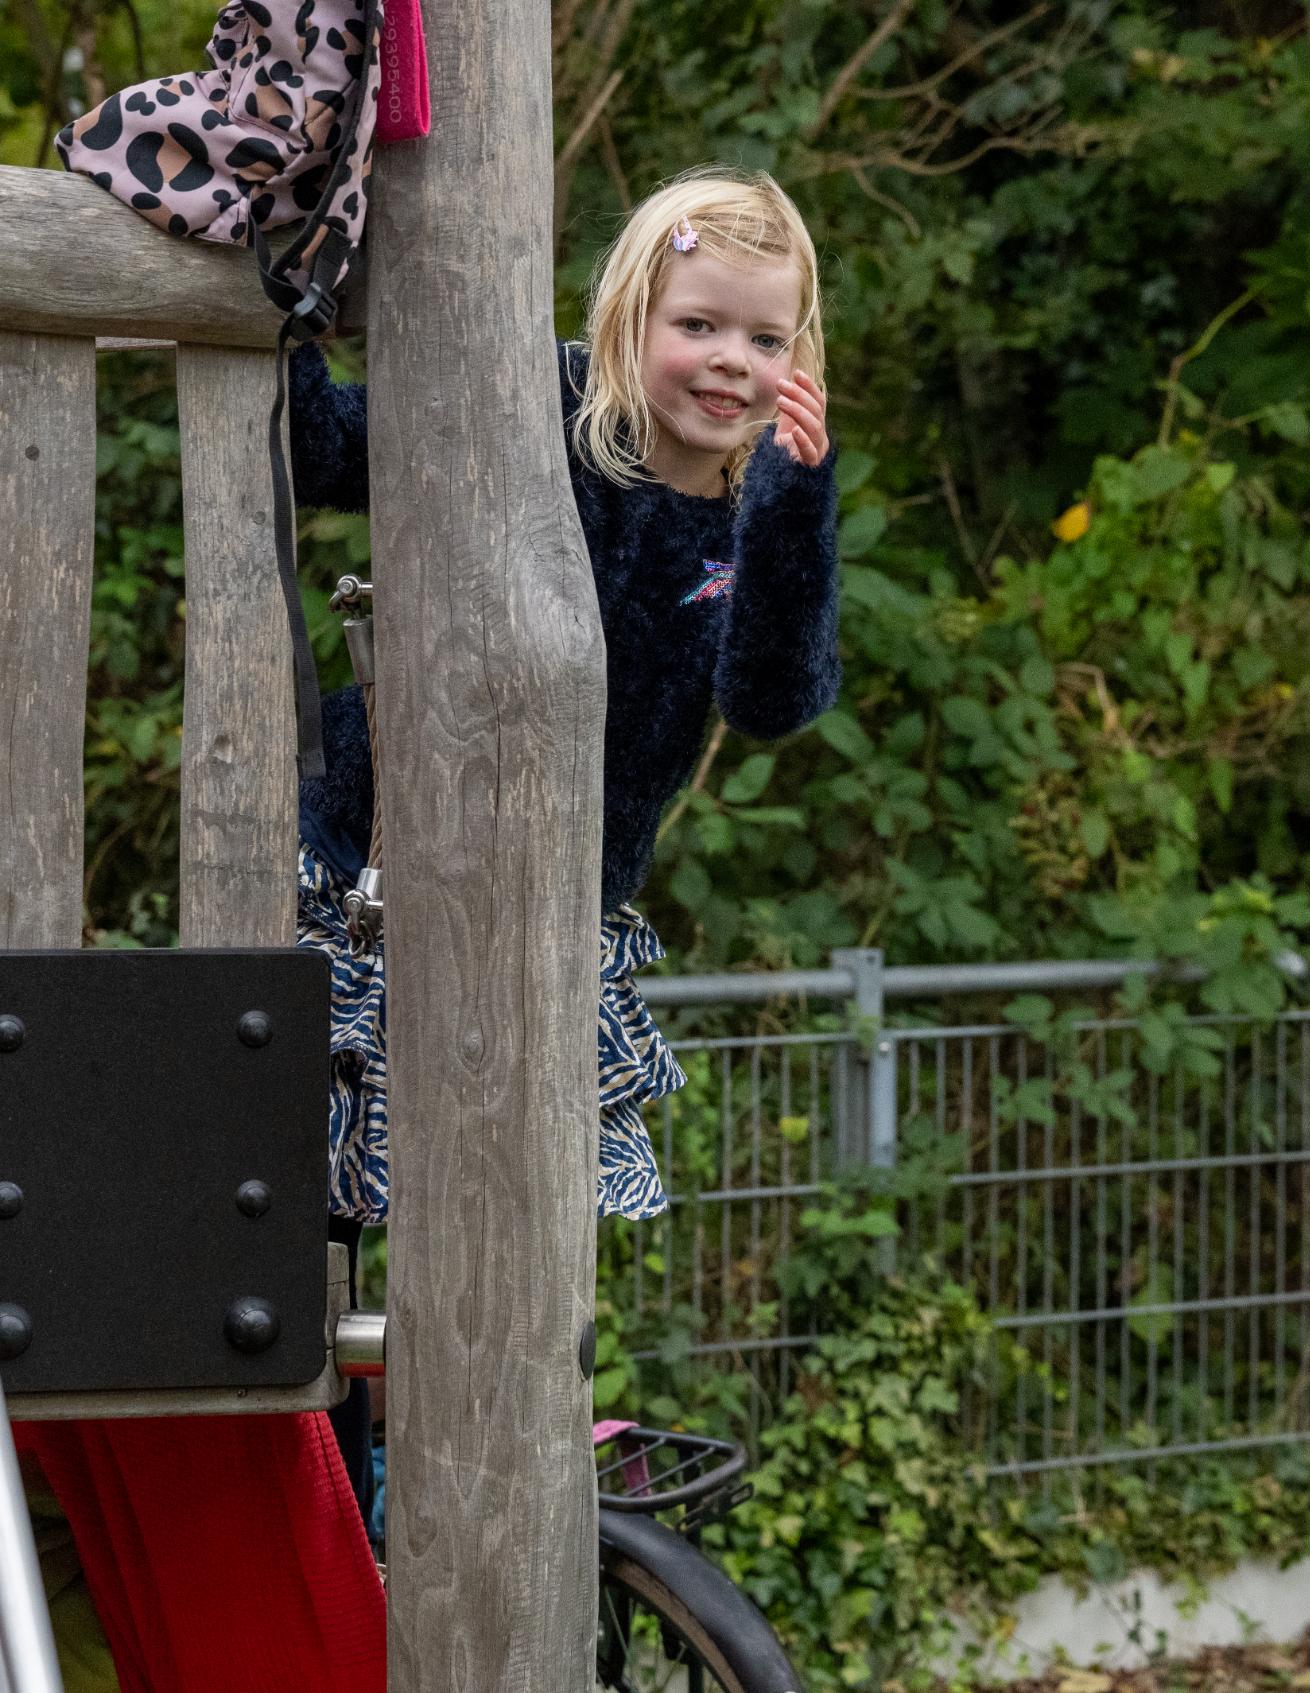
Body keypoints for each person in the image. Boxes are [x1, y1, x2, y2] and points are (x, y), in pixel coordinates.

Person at [285, 164, 842, 1517]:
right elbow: (330, 449)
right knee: (331, 1200)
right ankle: (333, 1485)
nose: (729, 362)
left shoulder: (754, 511)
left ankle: (475, 1472)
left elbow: (773, 694)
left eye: (766, 339)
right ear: (629, 314)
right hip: (376, 869)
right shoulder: (542, 411)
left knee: (510, 1220)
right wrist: (292, 304)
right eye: (699, 323)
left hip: (551, 913)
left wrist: (791, 506)